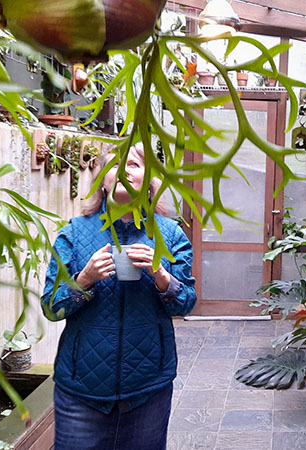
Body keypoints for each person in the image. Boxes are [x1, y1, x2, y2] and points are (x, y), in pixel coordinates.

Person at [42, 144, 196, 450]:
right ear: (102, 179)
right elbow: (51, 306)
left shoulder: (170, 234)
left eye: (135, 165)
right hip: (81, 391)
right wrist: (84, 279)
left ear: (150, 181)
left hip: (147, 389)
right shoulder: (73, 233)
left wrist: (162, 277)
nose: (125, 170)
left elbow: (187, 302)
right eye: (115, 164)